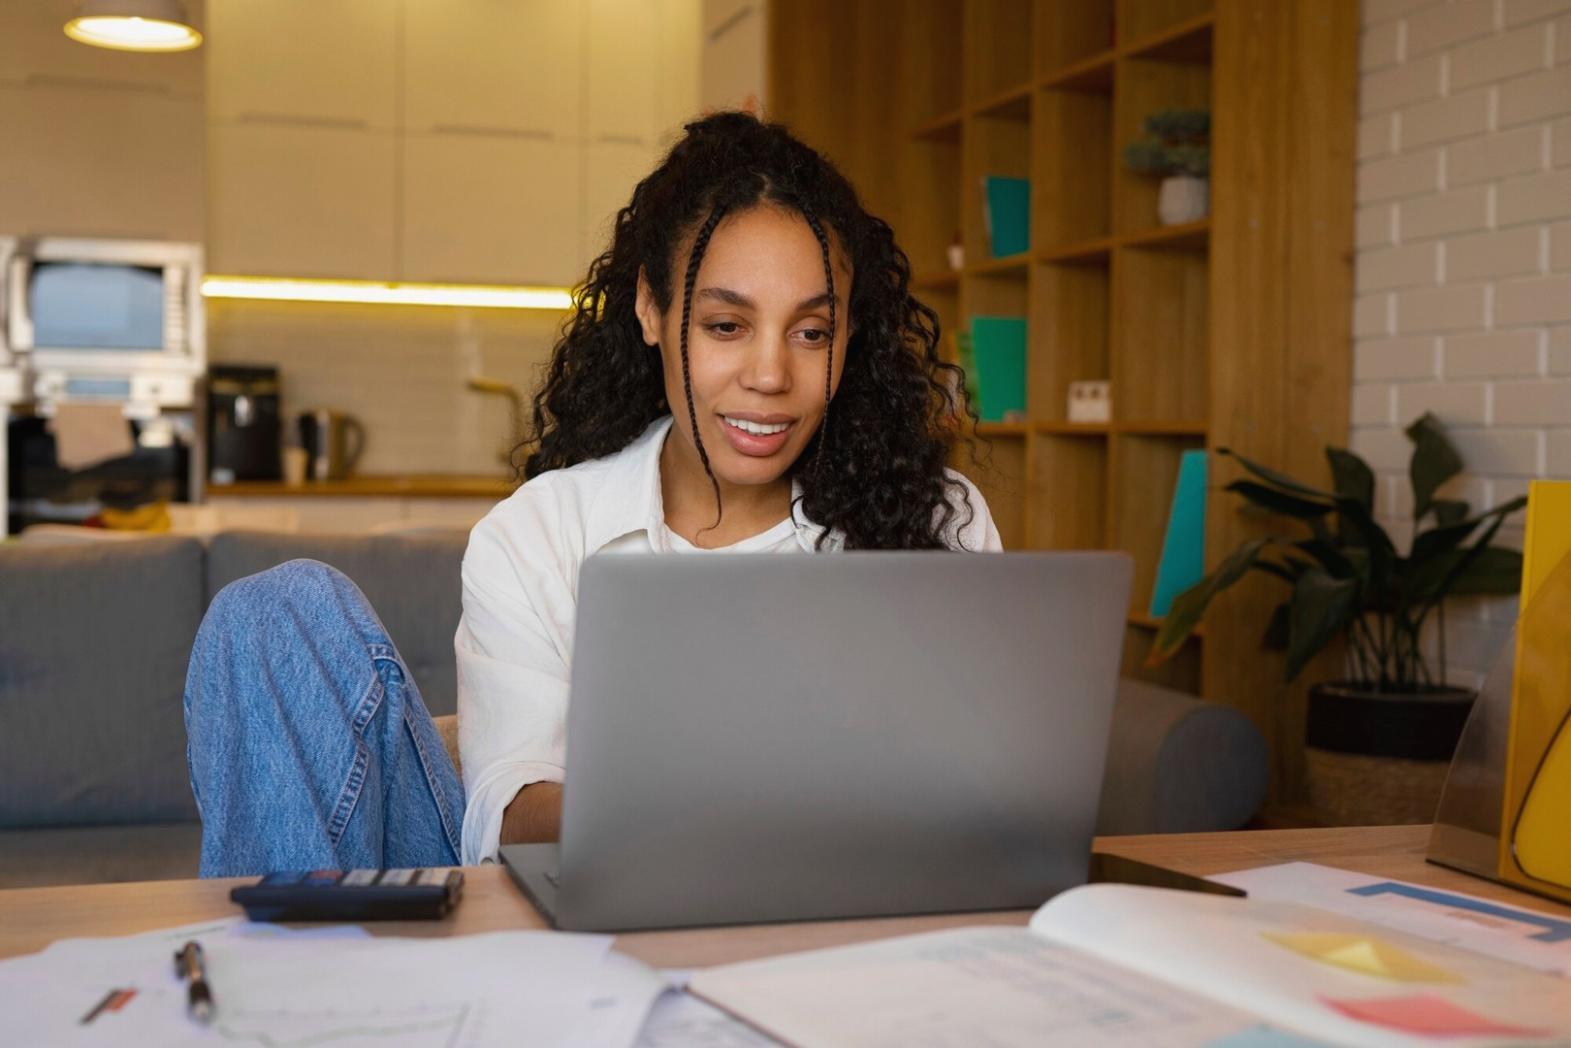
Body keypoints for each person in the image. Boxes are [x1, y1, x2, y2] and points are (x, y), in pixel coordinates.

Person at [184, 111, 1001, 878]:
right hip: (567, 891)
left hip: (843, 904)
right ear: (651, 308)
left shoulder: (934, 521)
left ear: (847, 337)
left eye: (811, 332)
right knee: (274, 611)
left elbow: (974, 792)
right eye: (725, 326)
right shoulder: (541, 531)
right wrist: (717, 815)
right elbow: (507, 812)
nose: (768, 376)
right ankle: (288, 995)